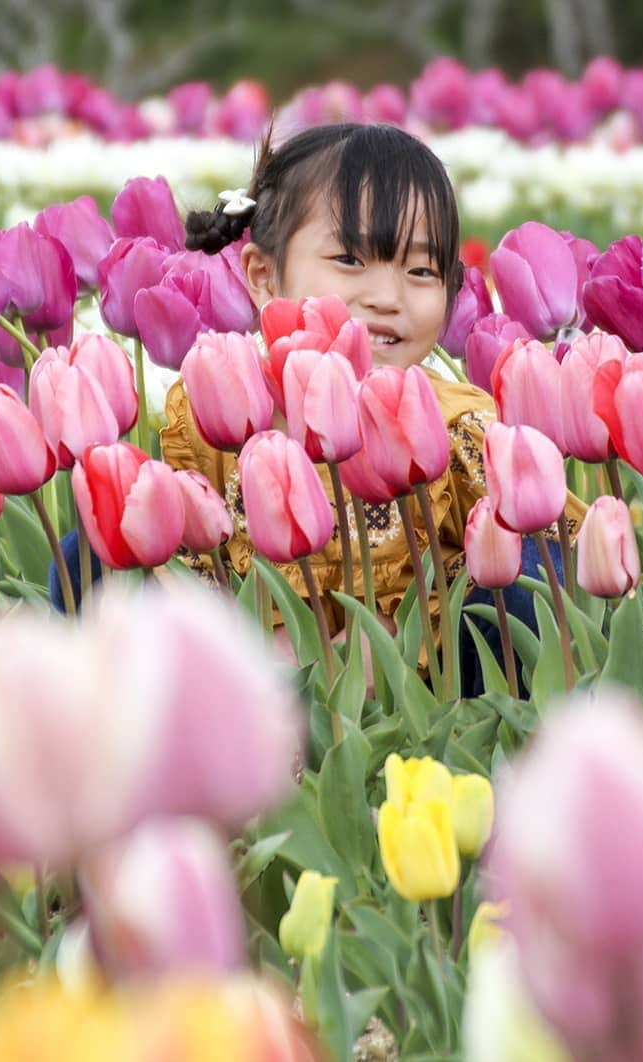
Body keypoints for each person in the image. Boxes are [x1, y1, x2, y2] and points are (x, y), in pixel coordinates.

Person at [54, 121, 582, 695]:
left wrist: (388, 641)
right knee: (95, 552)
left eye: (422, 270)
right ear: (261, 276)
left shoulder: (452, 423)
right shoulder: (221, 409)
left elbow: (563, 539)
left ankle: (520, 737)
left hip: (431, 684)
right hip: (251, 679)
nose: (388, 297)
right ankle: (108, 723)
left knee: (529, 570)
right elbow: (191, 568)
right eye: (351, 260)